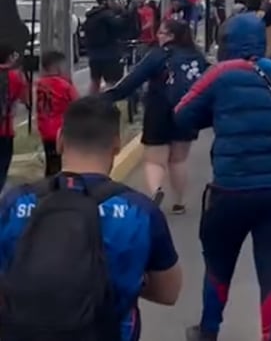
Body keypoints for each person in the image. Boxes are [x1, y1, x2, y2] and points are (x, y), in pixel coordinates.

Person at [0, 96, 182, 340]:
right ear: (116, 146)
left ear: (60, 140)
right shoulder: (139, 212)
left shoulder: (16, 203)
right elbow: (168, 292)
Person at [174, 12, 271, 341]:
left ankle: (209, 330)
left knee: (218, 264)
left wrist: (216, 114)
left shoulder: (220, 74)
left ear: (226, 43)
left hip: (230, 190)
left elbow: (182, 115)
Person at [101, 20, 208, 213]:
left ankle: (156, 191)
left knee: (154, 160)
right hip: (187, 111)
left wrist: (108, 97)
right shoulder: (197, 56)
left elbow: (132, 80)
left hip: (158, 110)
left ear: (171, 36)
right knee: (179, 160)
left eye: (162, 32)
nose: (158, 35)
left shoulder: (158, 56)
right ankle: (179, 202)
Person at [36, 50, 79, 177]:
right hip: (61, 129)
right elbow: (77, 102)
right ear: (57, 66)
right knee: (63, 163)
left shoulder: (40, 84)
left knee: (51, 162)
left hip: (44, 128)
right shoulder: (64, 84)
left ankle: (48, 186)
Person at [84, 0, 126, 94]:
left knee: (95, 82)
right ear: (105, 2)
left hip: (94, 55)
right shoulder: (107, 15)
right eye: (113, 0)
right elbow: (121, 26)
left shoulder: (92, 15)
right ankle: (107, 106)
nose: (116, 2)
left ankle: (91, 105)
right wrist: (124, 12)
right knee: (112, 83)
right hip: (110, 55)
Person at [0, 43, 28, 190]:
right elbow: (24, 99)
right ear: (9, 58)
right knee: (3, 164)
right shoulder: (16, 76)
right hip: (5, 130)